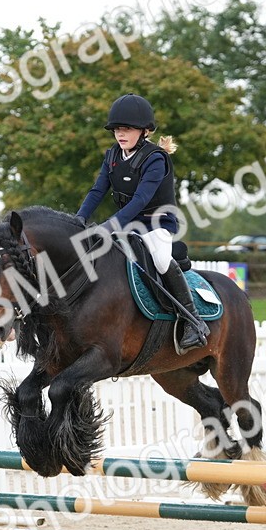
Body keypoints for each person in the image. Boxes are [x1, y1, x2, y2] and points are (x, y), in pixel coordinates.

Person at [75, 93, 207, 353]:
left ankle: (193, 321)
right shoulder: (112, 155)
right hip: (126, 224)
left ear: (144, 131)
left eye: (127, 129)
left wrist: (111, 226)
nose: (120, 135)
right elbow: (97, 190)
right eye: (116, 130)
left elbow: (140, 199)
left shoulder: (156, 158)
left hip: (156, 224)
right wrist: (79, 218)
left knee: (159, 260)